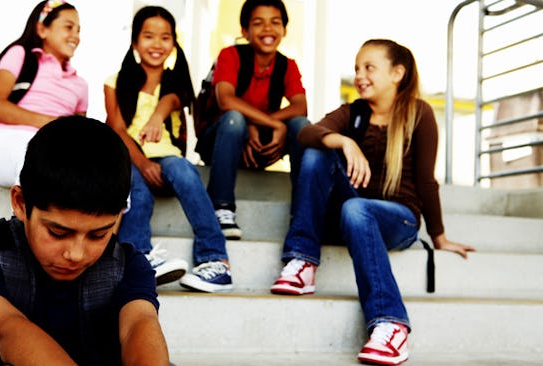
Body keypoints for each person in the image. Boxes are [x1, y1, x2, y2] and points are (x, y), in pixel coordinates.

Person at [270, 39, 476, 365]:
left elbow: (426, 181)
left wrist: (439, 236)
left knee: (356, 208)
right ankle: (303, 261)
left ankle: (391, 325)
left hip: (400, 219)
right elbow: (307, 133)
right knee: (317, 151)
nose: (360, 76)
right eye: (356, 68)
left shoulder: (418, 114)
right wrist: (344, 142)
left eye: (369, 68)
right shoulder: (353, 113)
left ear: (397, 73)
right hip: (353, 215)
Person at [0, 116, 170, 365]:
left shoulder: (128, 267)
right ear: (20, 202)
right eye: (58, 233)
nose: (76, 254)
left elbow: (139, 325)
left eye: (98, 235)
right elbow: (6, 331)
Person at [104, 6, 232, 293]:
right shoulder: (114, 81)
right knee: (136, 192)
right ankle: (140, 258)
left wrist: (156, 117)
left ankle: (216, 260)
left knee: (186, 172)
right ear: (135, 41)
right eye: (149, 36)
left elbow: (172, 100)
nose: (157, 44)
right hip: (128, 157)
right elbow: (117, 129)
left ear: (174, 42)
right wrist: (142, 163)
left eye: (165, 37)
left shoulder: (176, 80)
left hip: (166, 157)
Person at [195, 0, 310, 240]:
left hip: (258, 145)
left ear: (285, 30)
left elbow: (301, 106)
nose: (268, 29)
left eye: (275, 22)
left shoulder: (287, 65)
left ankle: (303, 215)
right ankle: (222, 207)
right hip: (219, 140)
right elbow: (225, 100)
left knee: (302, 127)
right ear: (245, 31)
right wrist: (269, 123)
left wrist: (263, 124)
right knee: (235, 119)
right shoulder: (230, 55)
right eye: (258, 23)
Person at [0, 0, 88, 187]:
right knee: (39, 161)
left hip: (54, 148)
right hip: (6, 140)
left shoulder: (80, 85)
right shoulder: (20, 55)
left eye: (78, 30)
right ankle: (24, 216)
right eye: (69, 27)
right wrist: (53, 124)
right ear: (42, 30)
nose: (75, 36)